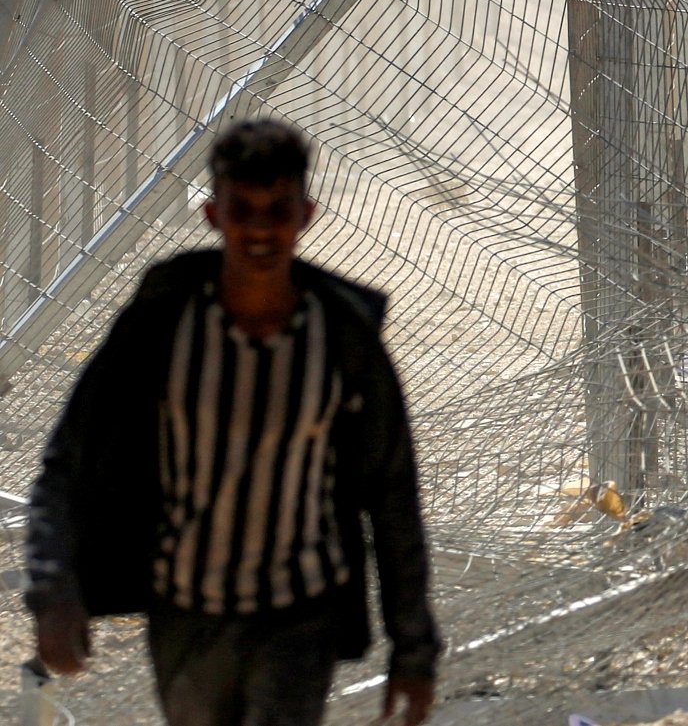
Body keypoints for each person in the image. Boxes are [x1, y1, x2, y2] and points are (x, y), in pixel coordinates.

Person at [24, 119, 439, 725]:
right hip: (186, 614)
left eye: (279, 209)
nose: (262, 230)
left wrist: (415, 650)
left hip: (301, 619)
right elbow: (67, 461)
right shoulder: (163, 325)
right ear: (214, 216)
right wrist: (54, 593)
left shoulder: (343, 340)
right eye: (243, 209)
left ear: (307, 214)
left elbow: (392, 494)